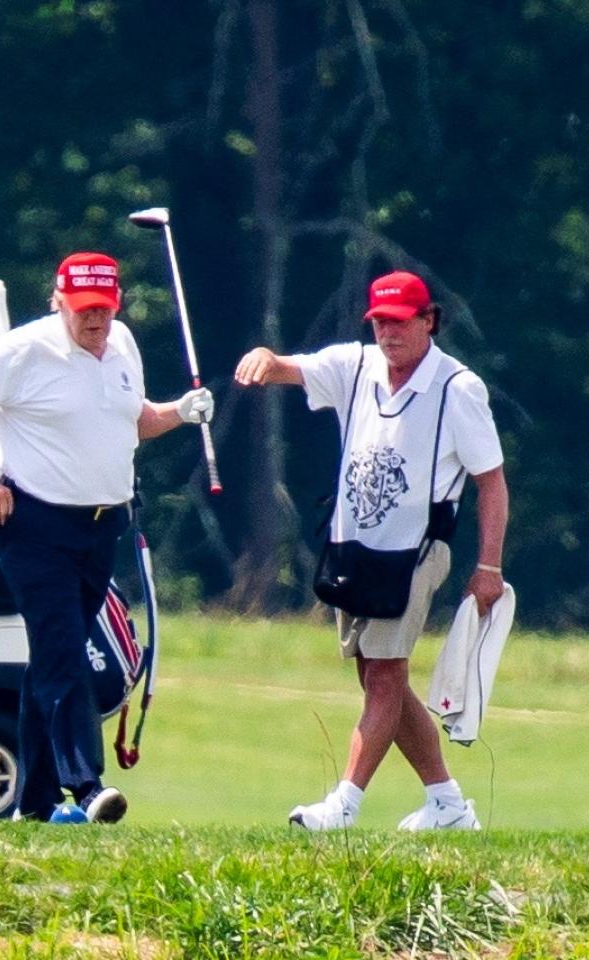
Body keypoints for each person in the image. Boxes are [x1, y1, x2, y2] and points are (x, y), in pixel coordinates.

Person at [0, 251, 213, 824]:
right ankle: (86, 787)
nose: (95, 321)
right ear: (58, 301)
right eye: (83, 309)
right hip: (32, 526)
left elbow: (132, 421)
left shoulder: (123, 345)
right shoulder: (26, 350)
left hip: (100, 526)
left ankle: (31, 804)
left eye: (104, 309)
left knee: (50, 661)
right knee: (65, 655)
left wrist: (181, 412)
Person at [233, 269, 508, 831]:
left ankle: (344, 804)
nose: (388, 333)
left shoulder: (459, 389)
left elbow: (493, 483)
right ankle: (448, 804)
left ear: (428, 320)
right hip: (353, 548)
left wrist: (488, 565)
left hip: (415, 553)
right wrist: (265, 356)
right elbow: (292, 367)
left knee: (385, 674)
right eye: (380, 322)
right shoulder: (355, 366)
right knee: (377, 674)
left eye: (400, 322)